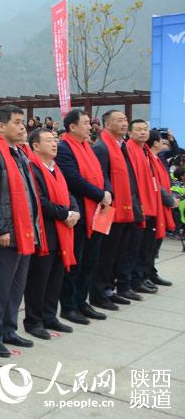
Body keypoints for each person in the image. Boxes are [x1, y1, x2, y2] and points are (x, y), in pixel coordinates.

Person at [0, 105, 42, 358]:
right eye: (16, 122)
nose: (23, 126)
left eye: (23, 121)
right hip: (3, 235)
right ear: (1, 127)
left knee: (16, 287)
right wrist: (1, 228)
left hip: (23, 232)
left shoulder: (20, 154)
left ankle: (8, 329)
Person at [55, 109, 111, 325]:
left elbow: (102, 174)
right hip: (80, 213)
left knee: (90, 261)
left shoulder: (88, 147)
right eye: (86, 123)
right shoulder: (64, 149)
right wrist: (100, 194)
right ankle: (68, 306)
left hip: (97, 212)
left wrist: (107, 191)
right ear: (72, 127)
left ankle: (82, 301)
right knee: (75, 262)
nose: (90, 127)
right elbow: (73, 179)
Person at [24, 128, 79, 340]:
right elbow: (40, 202)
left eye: (55, 140)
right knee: (39, 280)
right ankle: (33, 320)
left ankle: (49, 315)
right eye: (49, 141)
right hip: (45, 232)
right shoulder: (32, 168)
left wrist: (74, 211)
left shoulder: (55, 168)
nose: (54, 144)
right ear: (36, 146)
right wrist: (66, 213)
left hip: (61, 230)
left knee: (55, 277)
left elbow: (68, 193)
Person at [90, 111, 143, 311]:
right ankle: (98, 293)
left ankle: (109, 289)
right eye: (119, 120)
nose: (124, 123)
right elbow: (101, 177)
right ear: (107, 124)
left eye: (125, 120)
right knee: (106, 254)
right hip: (110, 209)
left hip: (125, 207)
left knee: (118, 253)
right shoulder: (102, 147)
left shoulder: (121, 145)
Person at [123, 120, 163, 297]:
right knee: (134, 248)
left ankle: (142, 276)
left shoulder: (145, 151)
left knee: (146, 245)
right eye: (138, 129)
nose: (142, 132)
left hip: (150, 204)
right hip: (138, 206)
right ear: (130, 134)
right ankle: (132, 280)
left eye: (145, 129)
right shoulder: (129, 149)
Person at [144, 130, 177, 286]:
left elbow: (175, 151)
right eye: (162, 141)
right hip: (155, 204)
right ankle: (145, 274)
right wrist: (169, 200)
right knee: (149, 245)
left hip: (161, 203)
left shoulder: (159, 157)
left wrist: (172, 138)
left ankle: (151, 272)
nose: (165, 144)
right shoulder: (148, 159)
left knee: (154, 245)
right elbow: (155, 183)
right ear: (156, 143)